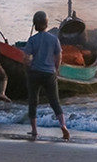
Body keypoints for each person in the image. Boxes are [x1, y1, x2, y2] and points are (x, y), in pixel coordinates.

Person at [23, 11, 69, 140]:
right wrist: (56, 69)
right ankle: (63, 125)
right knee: (55, 101)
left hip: (35, 73)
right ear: (47, 23)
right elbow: (58, 56)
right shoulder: (54, 39)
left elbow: (25, 58)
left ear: (35, 25)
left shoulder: (32, 40)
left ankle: (34, 130)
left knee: (33, 101)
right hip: (49, 74)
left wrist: (30, 65)